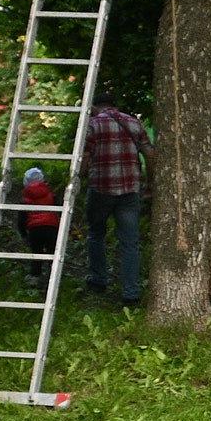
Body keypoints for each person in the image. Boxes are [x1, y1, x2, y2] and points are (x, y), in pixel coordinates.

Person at [82, 93, 149, 308]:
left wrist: (77, 177)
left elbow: (85, 155)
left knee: (95, 234)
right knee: (130, 242)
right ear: (115, 105)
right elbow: (150, 153)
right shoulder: (133, 122)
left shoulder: (93, 125)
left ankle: (99, 280)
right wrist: (151, 182)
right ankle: (131, 292)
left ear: (94, 107)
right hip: (130, 191)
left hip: (101, 189)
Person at [17, 166, 61, 291]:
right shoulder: (51, 195)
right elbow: (60, 209)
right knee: (52, 251)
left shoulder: (25, 199)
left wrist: (24, 235)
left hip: (34, 229)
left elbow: (21, 219)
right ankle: (53, 276)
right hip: (51, 227)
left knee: (36, 253)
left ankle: (35, 276)